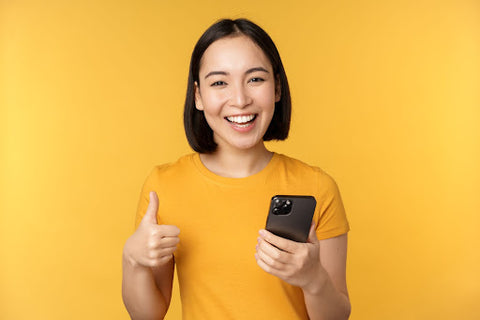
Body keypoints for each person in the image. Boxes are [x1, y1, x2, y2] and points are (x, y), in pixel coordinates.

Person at [122, 18, 351, 320]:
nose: (241, 100)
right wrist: (132, 259)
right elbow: (147, 315)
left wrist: (313, 278)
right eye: (219, 82)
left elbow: (336, 316)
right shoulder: (163, 186)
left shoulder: (317, 186)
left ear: (277, 88)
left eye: (255, 79)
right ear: (199, 96)